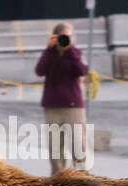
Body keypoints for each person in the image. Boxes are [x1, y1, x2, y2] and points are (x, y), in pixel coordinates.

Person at [34, 21, 90, 173]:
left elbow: (82, 70)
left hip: (73, 107)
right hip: (52, 107)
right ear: (55, 37)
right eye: (63, 37)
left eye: (69, 36)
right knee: (55, 148)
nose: (66, 40)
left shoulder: (76, 53)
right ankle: (58, 183)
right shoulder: (49, 54)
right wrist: (48, 49)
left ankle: (83, 181)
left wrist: (70, 51)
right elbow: (39, 71)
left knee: (78, 145)